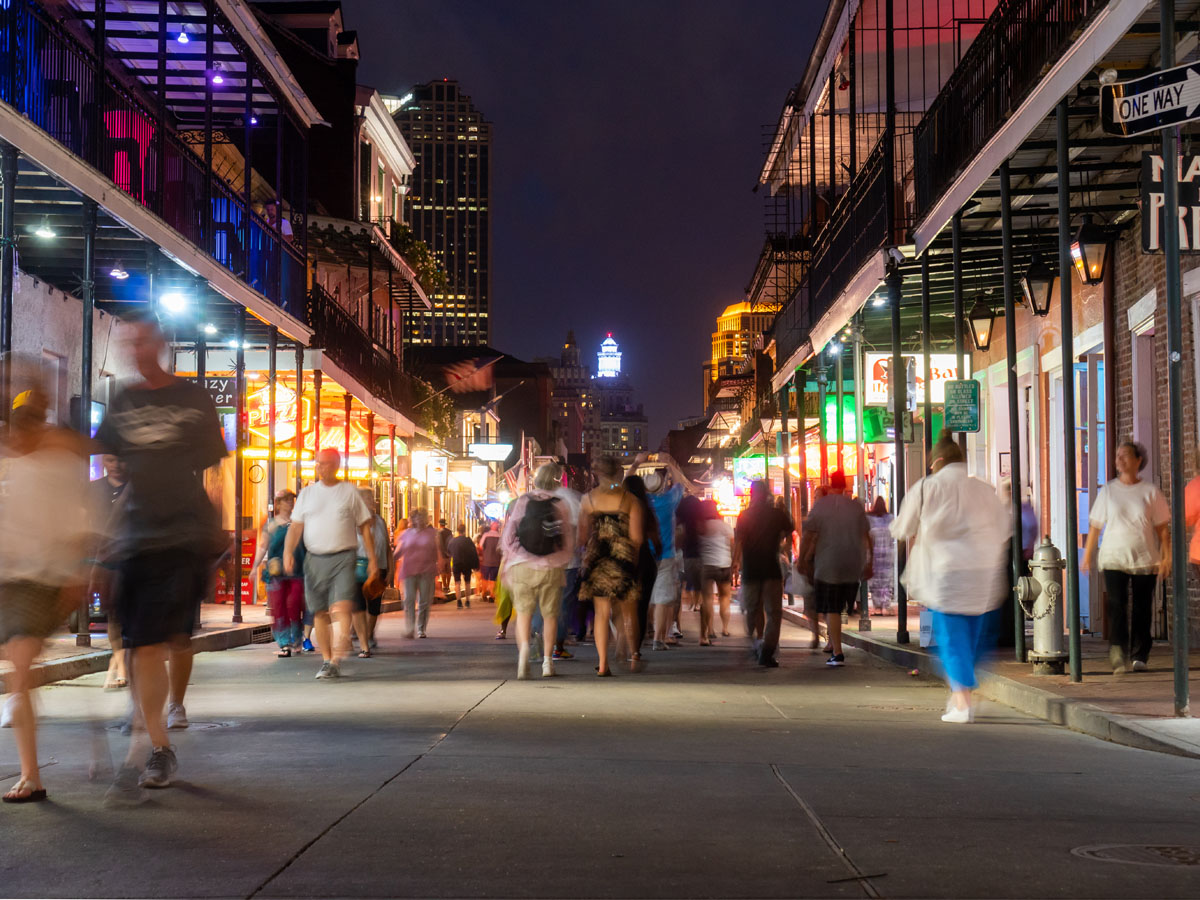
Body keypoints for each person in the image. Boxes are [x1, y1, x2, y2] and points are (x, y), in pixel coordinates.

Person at [95, 311, 228, 797]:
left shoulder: (193, 398)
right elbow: (115, 471)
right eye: (130, 343)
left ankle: (161, 721)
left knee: (173, 638)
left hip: (182, 536)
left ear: (162, 344)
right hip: (138, 538)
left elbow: (216, 472)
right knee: (142, 645)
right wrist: (105, 538)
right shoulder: (124, 401)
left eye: (144, 341)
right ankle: (158, 745)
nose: (137, 351)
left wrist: (216, 535)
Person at [0, 370, 90, 803]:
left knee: (19, 665)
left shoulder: (59, 466)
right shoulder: (7, 463)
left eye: (32, 420)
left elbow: (75, 526)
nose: (23, 430)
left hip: (41, 581)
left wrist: (75, 577)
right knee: (17, 667)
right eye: (18, 421)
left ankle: (30, 774)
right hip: (7, 579)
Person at [890, 431, 1008, 723]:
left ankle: (962, 703)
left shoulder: (927, 487)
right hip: (983, 577)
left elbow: (902, 528)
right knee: (974, 640)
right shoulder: (984, 489)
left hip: (946, 575)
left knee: (952, 639)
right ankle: (962, 693)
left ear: (938, 461)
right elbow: (1004, 528)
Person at [284, 448, 378, 679]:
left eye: (324, 463)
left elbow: (365, 527)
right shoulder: (307, 494)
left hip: (344, 556)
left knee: (343, 603)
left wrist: (373, 560)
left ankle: (341, 644)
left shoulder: (349, 492)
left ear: (336, 465)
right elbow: (295, 527)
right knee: (319, 611)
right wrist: (288, 552)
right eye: (318, 463)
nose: (320, 467)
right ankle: (328, 661)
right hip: (314, 558)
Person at [1083, 440, 1170, 674]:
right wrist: (1088, 554)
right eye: (1117, 455)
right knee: (1116, 604)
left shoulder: (1150, 492)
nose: (1119, 460)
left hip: (1144, 557)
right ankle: (1118, 650)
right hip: (1114, 556)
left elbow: (1162, 529)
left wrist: (1166, 557)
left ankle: (1139, 654)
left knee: (1142, 607)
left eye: (1125, 455)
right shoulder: (1109, 491)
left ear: (1138, 460)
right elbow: (1095, 526)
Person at [500, 464, 576, 678]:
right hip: (551, 567)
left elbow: (509, 536)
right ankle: (547, 663)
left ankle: (524, 651)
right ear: (557, 482)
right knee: (550, 616)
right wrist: (560, 560)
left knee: (524, 613)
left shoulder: (523, 501)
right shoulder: (561, 504)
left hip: (522, 567)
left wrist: (516, 556)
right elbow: (568, 540)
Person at [798, 470, 872, 667]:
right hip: (852, 565)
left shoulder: (820, 506)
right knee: (841, 606)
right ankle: (835, 642)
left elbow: (809, 534)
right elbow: (866, 535)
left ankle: (837, 651)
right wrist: (869, 562)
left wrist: (802, 559)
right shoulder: (855, 506)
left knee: (832, 608)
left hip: (828, 565)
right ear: (845, 485)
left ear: (831, 485)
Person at [579, 456, 643, 676]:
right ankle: (634, 655)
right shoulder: (630, 500)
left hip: (598, 559)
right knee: (629, 611)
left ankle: (603, 663)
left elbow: (582, 536)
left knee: (601, 613)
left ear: (597, 474)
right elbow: (637, 538)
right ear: (618, 473)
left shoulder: (588, 500)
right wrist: (633, 560)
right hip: (623, 557)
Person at [733, 479, 794, 668]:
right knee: (774, 612)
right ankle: (767, 650)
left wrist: (735, 563)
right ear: (767, 494)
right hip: (771, 569)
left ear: (752, 494)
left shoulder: (744, 515)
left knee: (753, 608)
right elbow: (790, 532)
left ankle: (758, 639)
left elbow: (739, 541)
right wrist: (784, 547)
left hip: (751, 568)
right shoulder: (777, 514)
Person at [251, 489, 305, 657]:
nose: (290, 502)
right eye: (286, 500)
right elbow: (263, 546)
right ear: (278, 504)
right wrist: (254, 566)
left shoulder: (298, 522)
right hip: (276, 572)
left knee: (295, 603)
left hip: (296, 571)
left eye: (291, 499)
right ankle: (284, 643)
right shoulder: (271, 524)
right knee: (279, 607)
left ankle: (296, 636)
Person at [91, 454, 129, 689]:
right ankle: (120, 666)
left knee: (129, 615)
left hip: (132, 557)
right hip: (106, 559)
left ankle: (120, 665)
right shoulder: (94, 490)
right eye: (110, 460)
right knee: (114, 614)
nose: (115, 465)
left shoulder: (137, 488)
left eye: (120, 460)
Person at [621, 474, 661, 656]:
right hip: (645, 560)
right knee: (641, 607)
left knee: (623, 605)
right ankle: (635, 649)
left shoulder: (620, 509)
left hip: (623, 558)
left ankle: (622, 643)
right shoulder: (646, 510)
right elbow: (656, 539)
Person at [352, 489, 390, 656]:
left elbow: (387, 548)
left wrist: (390, 569)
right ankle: (364, 643)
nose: (370, 500)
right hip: (357, 568)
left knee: (374, 607)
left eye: (371, 497)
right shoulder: (353, 521)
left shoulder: (380, 521)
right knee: (358, 606)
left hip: (379, 568)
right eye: (366, 497)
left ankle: (367, 636)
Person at [395, 509, 439, 639]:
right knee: (409, 600)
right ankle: (409, 628)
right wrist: (389, 561)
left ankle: (421, 629)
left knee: (424, 601)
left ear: (425, 519)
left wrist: (441, 564)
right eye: (416, 517)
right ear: (412, 519)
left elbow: (438, 551)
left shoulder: (432, 533)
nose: (418, 520)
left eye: (421, 517)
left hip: (426, 571)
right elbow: (399, 551)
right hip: (409, 570)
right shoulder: (405, 534)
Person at [699, 500, 734, 640]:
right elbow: (732, 545)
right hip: (724, 564)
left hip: (707, 565)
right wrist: (734, 561)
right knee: (724, 597)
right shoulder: (725, 526)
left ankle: (710, 630)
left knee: (707, 598)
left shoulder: (701, 527)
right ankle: (725, 629)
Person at [866, 497, 895, 614]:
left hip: (874, 554)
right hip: (887, 554)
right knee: (886, 581)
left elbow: (867, 535)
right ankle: (885, 605)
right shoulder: (890, 518)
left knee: (875, 582)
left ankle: (877, 606)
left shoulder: (870, 519)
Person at [447, 523, 480, 609]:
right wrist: (475, 564)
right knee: (467, 582)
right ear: (465, 531)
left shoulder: (453, 541)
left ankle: (459, 602)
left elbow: (448, 551)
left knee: (457, 582)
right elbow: (474, 553)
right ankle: (467, 601)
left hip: (456, 563)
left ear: (457, 531)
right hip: (467, 563)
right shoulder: (468, 541)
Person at [477, 519, 502, 604]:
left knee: (485, 578)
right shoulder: (500, 536)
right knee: (493, 579)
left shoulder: (486, 535)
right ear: (498, 528)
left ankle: (484, 594)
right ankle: (492, 595)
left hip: (486, 561)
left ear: (491, 527)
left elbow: (480, 546)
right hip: (496, 561)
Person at [436, 518, 453, 595]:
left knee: (442, 570)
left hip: (441, 555)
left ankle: (445, 586)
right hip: (449, 554)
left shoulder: (438, 532)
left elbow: (438, 544)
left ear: (439, 524)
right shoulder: (449, 532)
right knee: (448, 570)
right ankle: (448, 586)